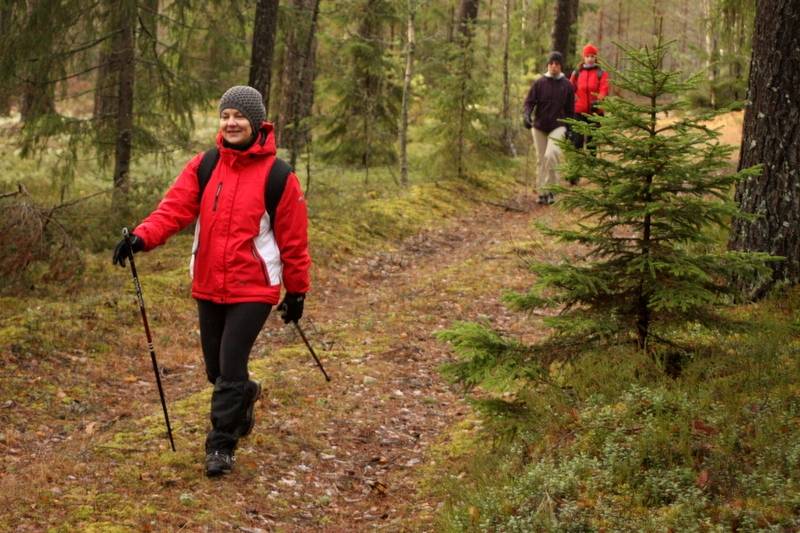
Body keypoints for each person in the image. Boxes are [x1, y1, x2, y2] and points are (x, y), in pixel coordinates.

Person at [111, 85, 311, 478]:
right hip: (208, 282)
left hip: (253, 286)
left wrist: (297, 289)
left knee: (231, 364)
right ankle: (245, 396)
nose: (231, 122)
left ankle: (220, 447)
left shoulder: (279, 176)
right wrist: (141, 237)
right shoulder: (204, 166)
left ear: (256, 123)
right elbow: (173, 210)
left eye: (239, 116)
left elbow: (294, 239)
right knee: (216, 372)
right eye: (225, 115)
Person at [523, 51, 575, 205]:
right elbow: (529, 102)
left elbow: (570, 110)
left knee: (551, 155)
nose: (554, 66)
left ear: (561, 66)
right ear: (548, 65)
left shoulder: (567, 85)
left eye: (557, 64)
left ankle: (553, 191)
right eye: (551, 63)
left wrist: (571, 129)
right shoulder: (539, 83)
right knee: (541, 159)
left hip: (558, 126)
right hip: (539, 126)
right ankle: (542, 193)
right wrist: (526, 115)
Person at [569, 43, 609, 156]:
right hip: (579, 111)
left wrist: (598, 101)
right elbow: (570, 88)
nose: (590, 59)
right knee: (577, 141)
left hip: (595, 112)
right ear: (584, 57)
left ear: (596, 57)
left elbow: (604, 89)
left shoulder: (601, 73)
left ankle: (591, 169)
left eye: (592, 56)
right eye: (587, 56)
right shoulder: (577, 73)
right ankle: (578, 166)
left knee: (592, 143)